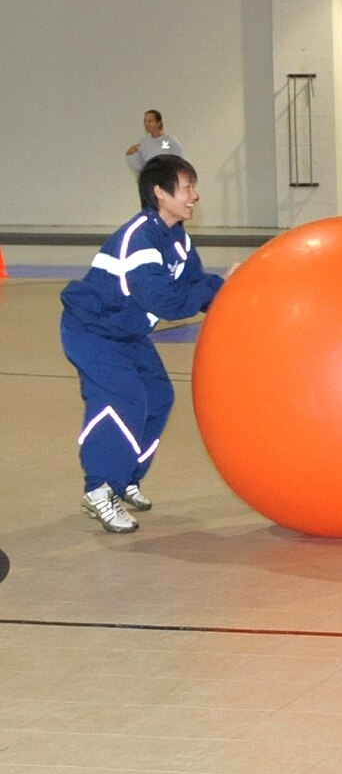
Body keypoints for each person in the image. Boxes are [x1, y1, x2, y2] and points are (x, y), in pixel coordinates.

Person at [60, 154, 228, 533]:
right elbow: (164, 300)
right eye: (187, 187)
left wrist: (234, 290)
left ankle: (126, 479)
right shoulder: (140, 237)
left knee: (158, 396)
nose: (194, 196)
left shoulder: (178, 240)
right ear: (160, 192)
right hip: (91, 331)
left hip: (125, 333)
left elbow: (196, 286)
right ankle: (100, 489)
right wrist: (209, 290)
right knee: (124, 400)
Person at [125, 109, 185, 173]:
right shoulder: (142, 143)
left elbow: (181, 162)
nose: (146, 124)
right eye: (145, 121)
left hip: (168, 177)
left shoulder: (171, 141)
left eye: (150, 121)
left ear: (158, 123)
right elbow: (139, 167)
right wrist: (131, 154)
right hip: (151, 178)